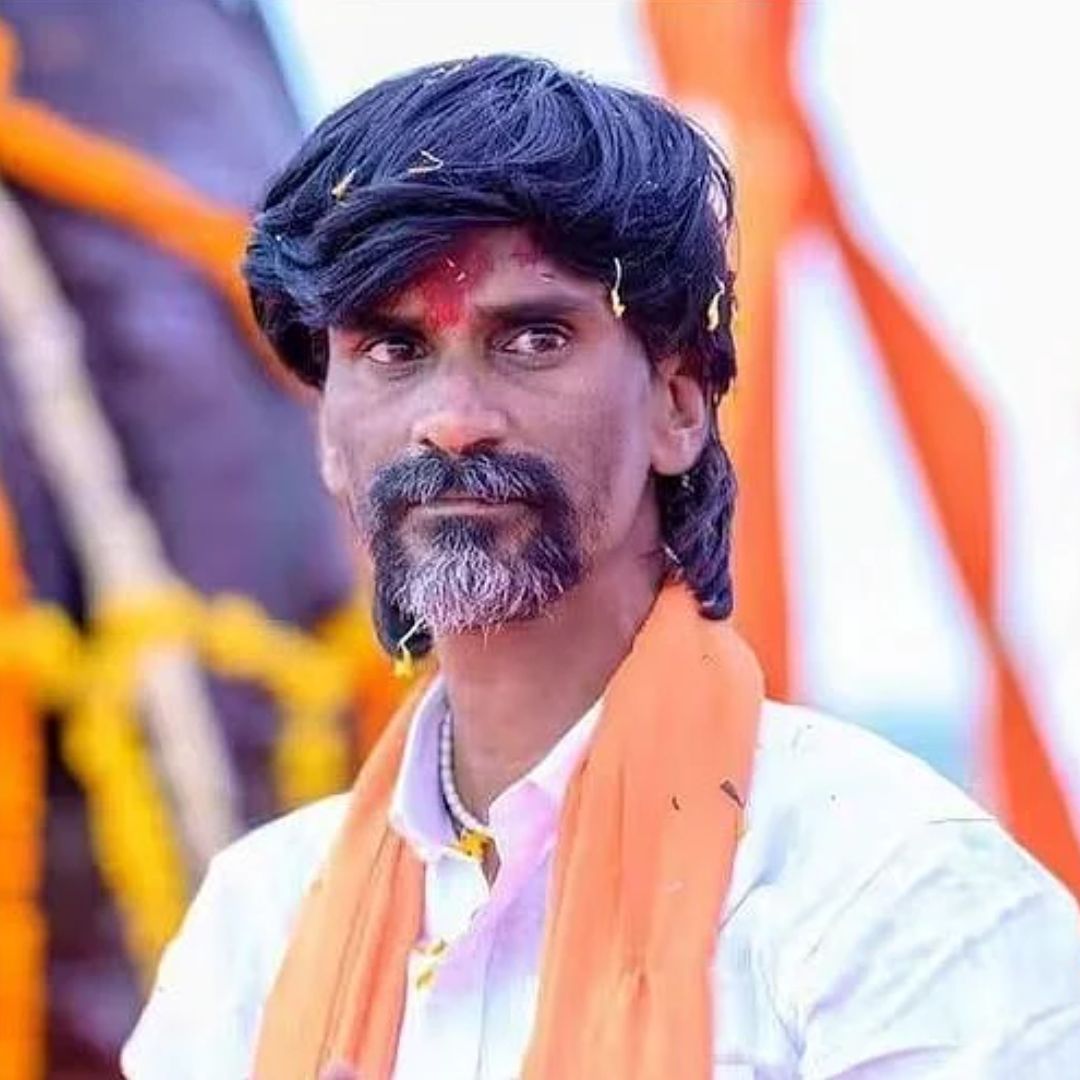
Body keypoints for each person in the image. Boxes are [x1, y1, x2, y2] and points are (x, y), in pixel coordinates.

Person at [122, 55, 1080, 1079]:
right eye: (393, 350)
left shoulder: (891, 899)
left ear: (678, 405)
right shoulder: (255, 932)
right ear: (324, 433)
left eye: (532, 338)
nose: (451, 421)